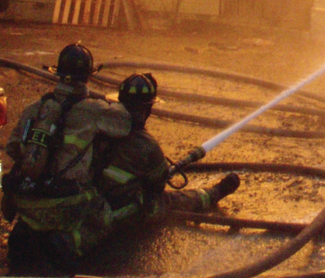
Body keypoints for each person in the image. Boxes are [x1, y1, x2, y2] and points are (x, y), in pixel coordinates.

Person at [3, 42, 131, 272]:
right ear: (88, 77)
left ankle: (26, 236)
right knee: (104, 220)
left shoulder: (35, 107)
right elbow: (125, 125)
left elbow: (12, 146)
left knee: (32, 223)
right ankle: (67, 244)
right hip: (66, 202)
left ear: (59, 74)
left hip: (26, 199)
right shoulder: (95, 110)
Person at [96, 72, 239, 228]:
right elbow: (157, 186)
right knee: (170, 201)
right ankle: (214, 194)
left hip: (91, 202)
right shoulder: (148, 146)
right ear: (147, 109)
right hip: (121, 212)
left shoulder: (98, 125)